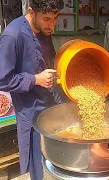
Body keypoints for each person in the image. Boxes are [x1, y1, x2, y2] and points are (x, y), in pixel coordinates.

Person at [0, 0, 64, 179]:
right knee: (38, 164)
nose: (52, 25)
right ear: (32, 12)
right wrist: (36, 79)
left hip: (51, 103)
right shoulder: (13, 36)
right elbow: (2, 79)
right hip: (31, 111)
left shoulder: (45, 30)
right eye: (47, 19)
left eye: (55, 18)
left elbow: (47, 61)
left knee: (56, 159)